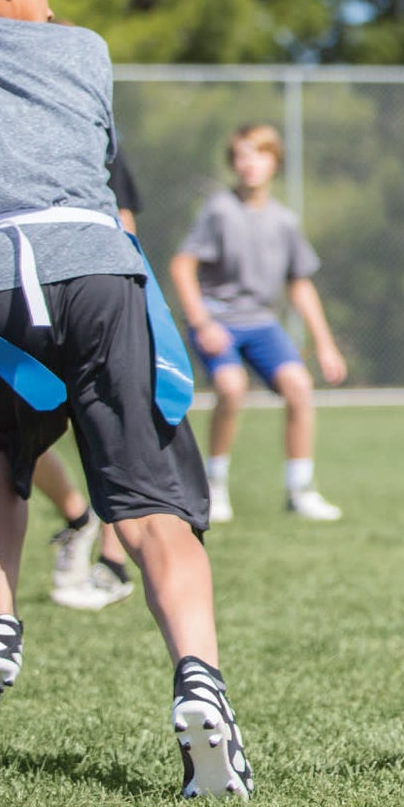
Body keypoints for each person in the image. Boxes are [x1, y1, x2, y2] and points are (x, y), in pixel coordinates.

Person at [0, 0, 251, 796]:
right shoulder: (83, 50)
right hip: (91, 261)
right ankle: (198, 682)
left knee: (0, 446)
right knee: (154, 495)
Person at [168, 123, 347, 522]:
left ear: (275, 161)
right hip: (219, 320)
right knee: (232, 388)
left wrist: (325, 343)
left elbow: (299, 284)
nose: (249, 164)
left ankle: (299, 489)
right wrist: (201, 322)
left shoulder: (284, 221)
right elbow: (182, 266)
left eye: (259, 154)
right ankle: (213, 486)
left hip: (261, 323)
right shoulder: (219, 210)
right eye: (241, 156)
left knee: (300, 387)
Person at [33, 145, 143, 609]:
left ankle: (112, 562)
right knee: (12, 437)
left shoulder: (99, 141)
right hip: (14, 292)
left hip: (91, 294)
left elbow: (125, 223)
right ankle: (79, 519)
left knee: (101, 427)